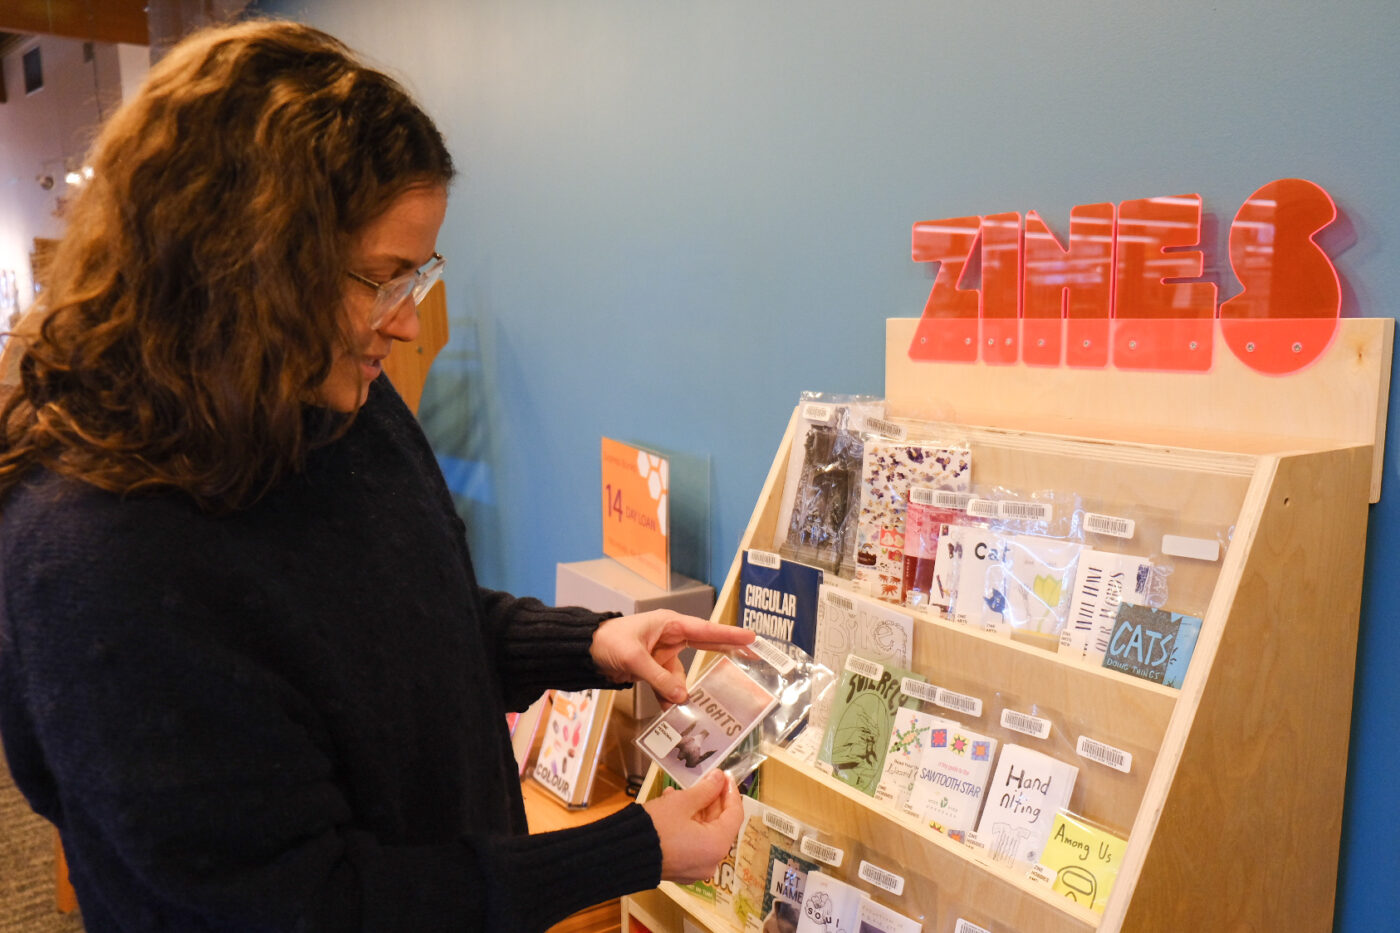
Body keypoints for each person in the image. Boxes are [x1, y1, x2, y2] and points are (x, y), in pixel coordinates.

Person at [0, 18, 754, 932]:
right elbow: (304, 905)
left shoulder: (331, 394)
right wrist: (630, 848)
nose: (404, 321)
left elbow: (404, 624)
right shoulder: (100, 557)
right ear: (250, 266)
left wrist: (590, 643)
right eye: (381, 277)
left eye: (417, 273)